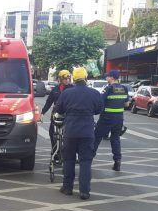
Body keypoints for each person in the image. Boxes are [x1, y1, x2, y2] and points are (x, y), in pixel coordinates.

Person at [55, 67, 103, 200]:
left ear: (74, 79)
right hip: (87, 132)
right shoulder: (94, 93)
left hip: (70, 131)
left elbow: (59, 108)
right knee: (85, 162)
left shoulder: (67, 93)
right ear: (86, 78)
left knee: (69, 160)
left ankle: (67, 187)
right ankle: (84, 191)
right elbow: (99, 109)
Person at [93, 70, 130, 172]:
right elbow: (127, 104)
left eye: (107, 77)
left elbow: (100, 102)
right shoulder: (124, 88)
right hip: (119, 119)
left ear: (112, 77)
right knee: (115, 139)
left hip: (106, 118)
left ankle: (89, 158)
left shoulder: (108, 88)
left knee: (96, 137)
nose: (106, 78)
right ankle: (117, 161)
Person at [41, 70, 73, 143]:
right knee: (51, 132)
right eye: (65, 79)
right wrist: (42, 113)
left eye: (68, 78)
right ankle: (54, 149)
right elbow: (48, 102)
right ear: (60, 79)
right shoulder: (55, 89)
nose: (67, 80)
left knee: (69, 134)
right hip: (56, 113)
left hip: (68, 113)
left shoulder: (72, 88)